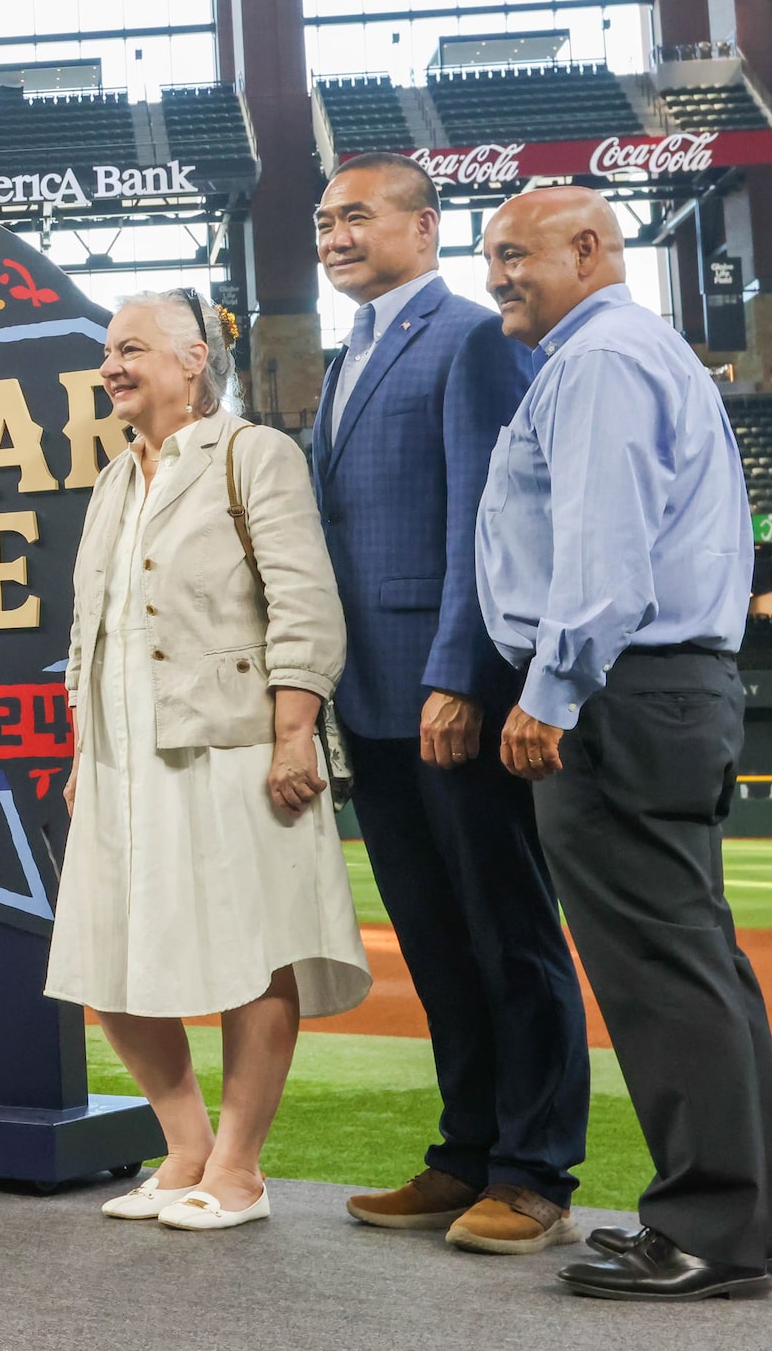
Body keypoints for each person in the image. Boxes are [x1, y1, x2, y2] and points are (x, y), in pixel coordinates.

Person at [475, 187, 772, 1300]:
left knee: (659, 967)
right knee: (699, 957)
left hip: (618, 689)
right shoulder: (627, 351)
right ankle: (750, 1224)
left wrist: (549, 692)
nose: (498, 275)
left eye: (515, 254)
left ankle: (706, 1230)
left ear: (588, 249)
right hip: (666, 687)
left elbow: (601, 554)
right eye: (491, 257)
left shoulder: (600, 359)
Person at [46, 288, 369, 1232]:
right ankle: (181, 1145)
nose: (111, 365)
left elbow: (303, 601)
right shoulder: (112, 478)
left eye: (131, 348)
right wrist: (78, 748)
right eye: (108, 350)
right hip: (115, 757)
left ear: (193, 360)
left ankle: (238, 1170)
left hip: (229, 749)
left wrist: (293, 732)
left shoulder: (252, 454)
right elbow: (86, 630)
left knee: (251, 953)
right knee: (106, 960)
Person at [311, 153, 588, 1254]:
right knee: (430, 937)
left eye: (356, 216)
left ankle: (533, 1174)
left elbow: (491, 518)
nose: (332, 235)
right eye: (322, 220)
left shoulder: (469, 336)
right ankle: (463, 1151)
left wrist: (458, 676)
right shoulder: (349, 354)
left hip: (446, 693)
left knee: (507, 935)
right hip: (370, 702)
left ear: (423, 229)